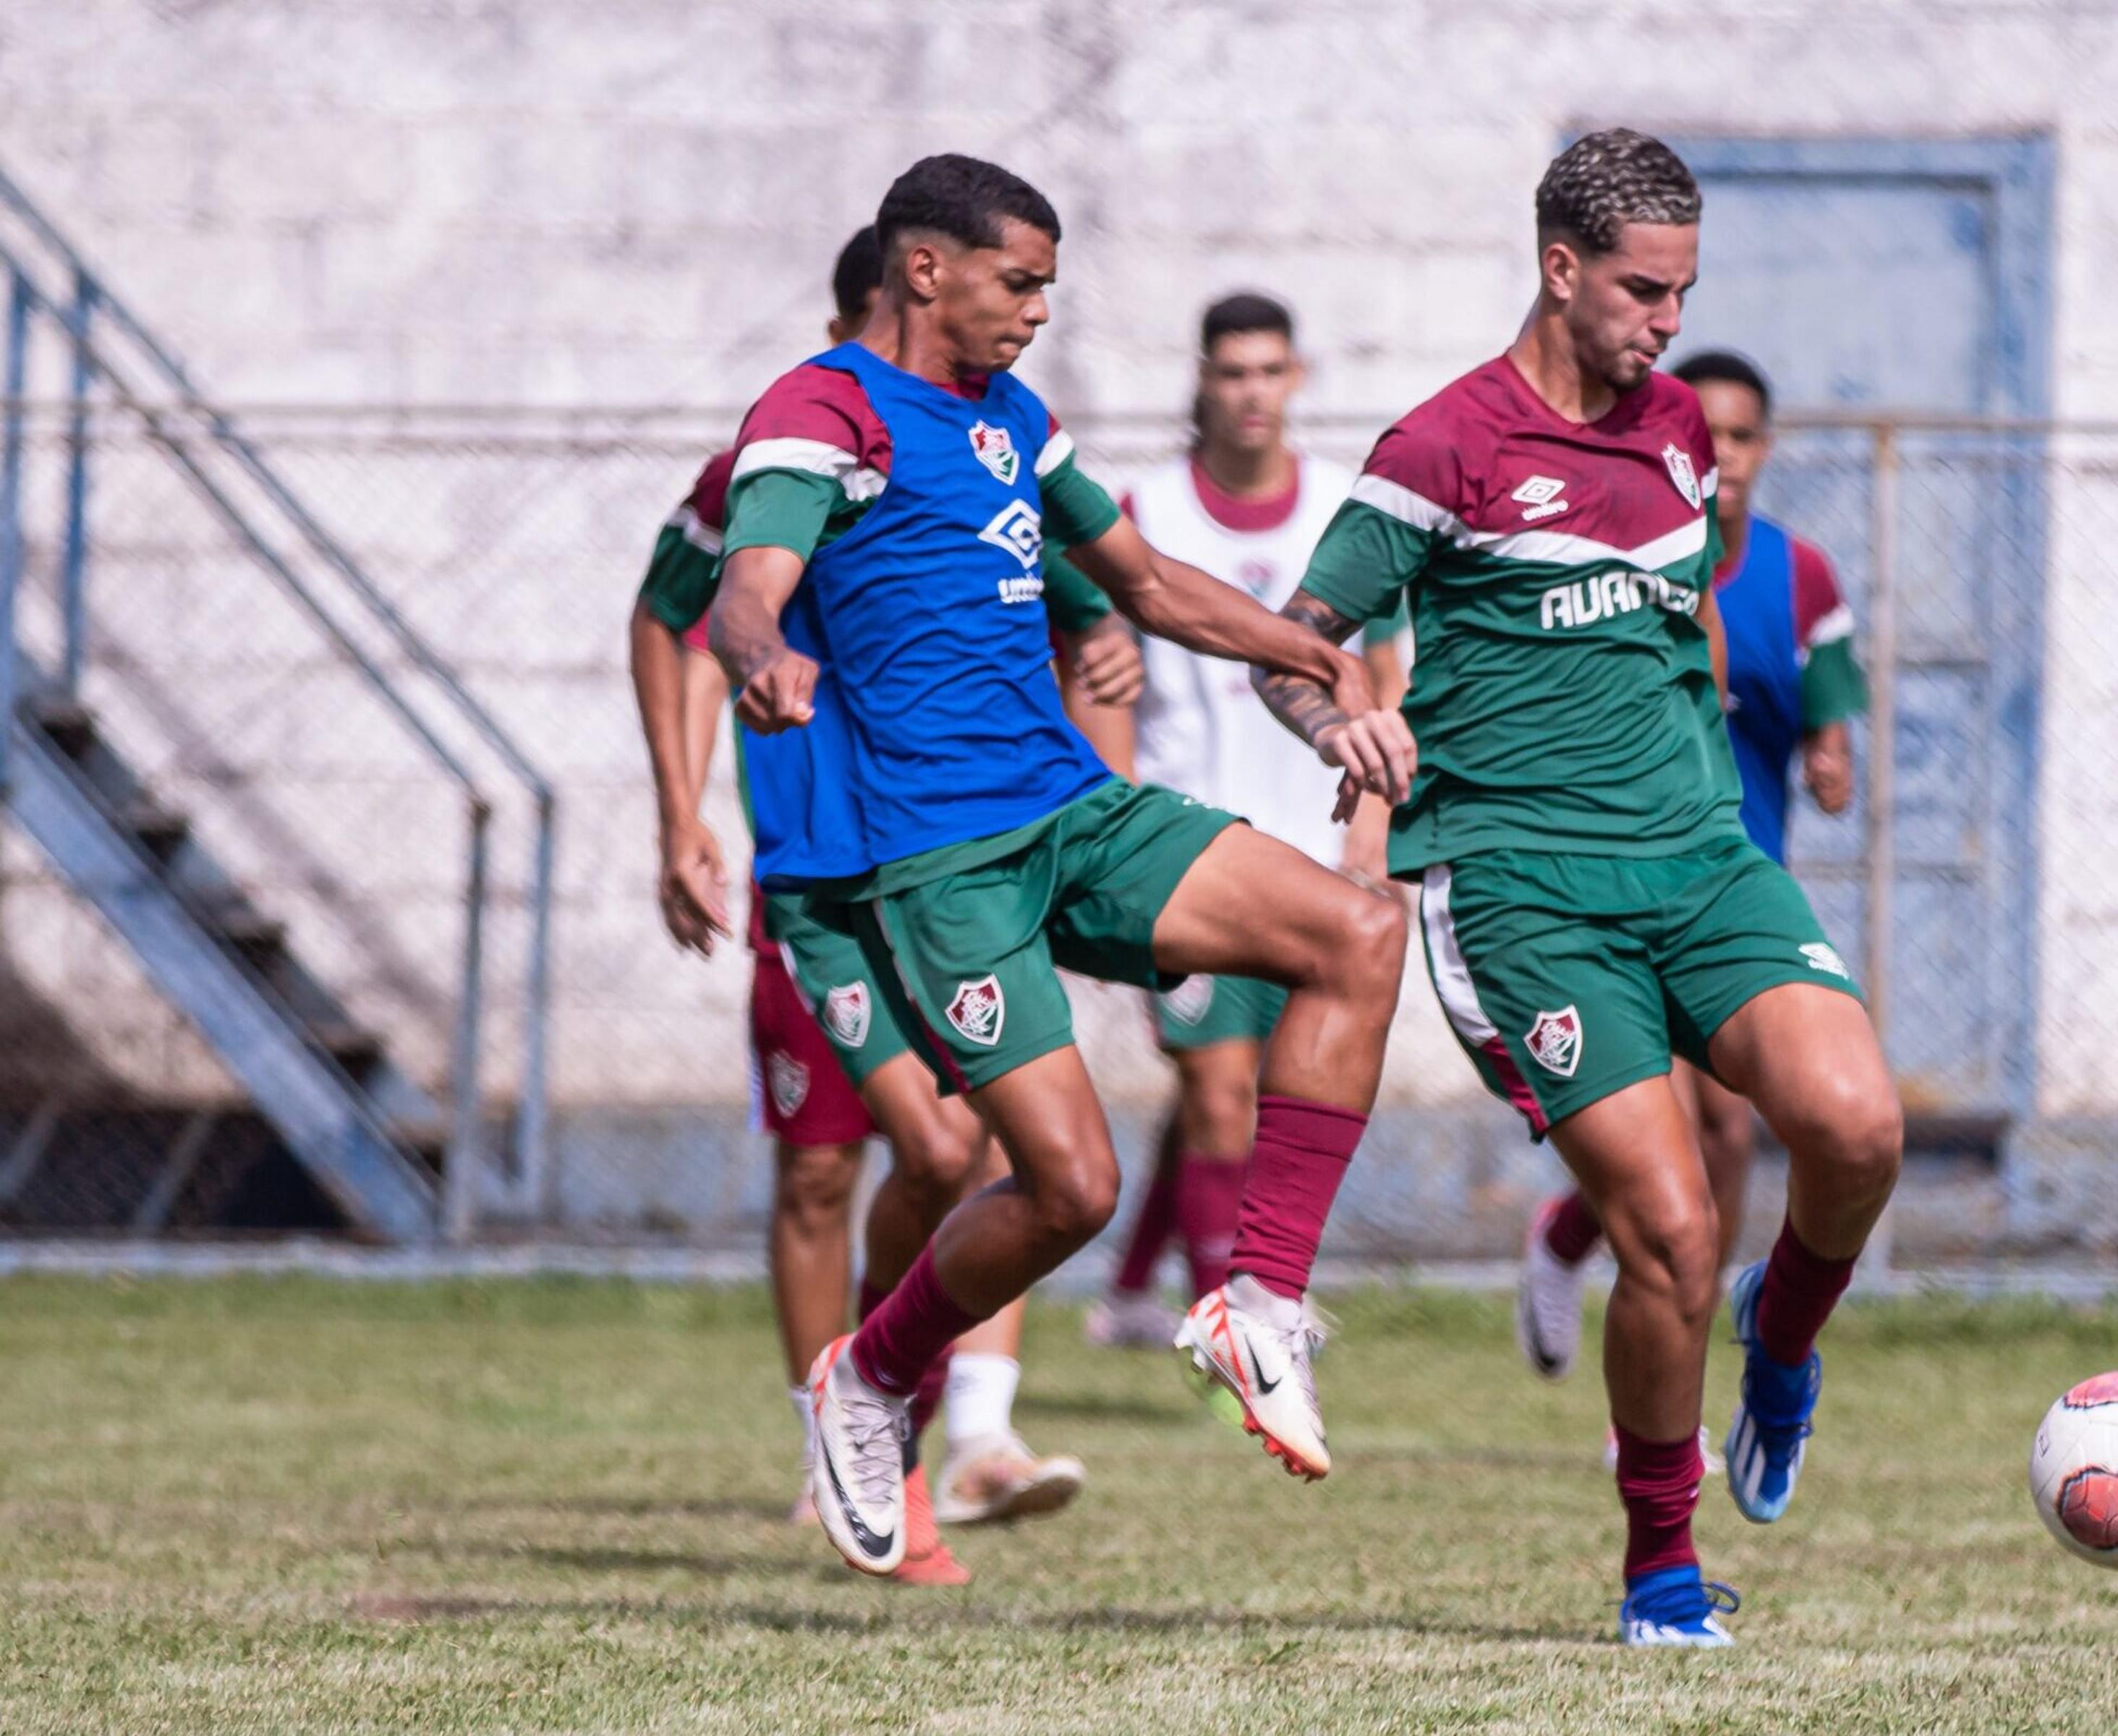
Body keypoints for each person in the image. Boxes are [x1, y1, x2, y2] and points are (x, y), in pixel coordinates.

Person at [705, 156, 1411, 1580]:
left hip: (1077, 809)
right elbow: (744, 587)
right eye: (1018, 281)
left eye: (1047, 285)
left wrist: (1318, 655)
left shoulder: (1016, 418)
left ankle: (1256, 1297)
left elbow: (1144, 585)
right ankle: (871, 1377)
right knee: (1069, 1188)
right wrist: (761, 652)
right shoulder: (823, 409)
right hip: (939, 863)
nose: (1038, 309)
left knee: (1357, 932)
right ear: (924, 271)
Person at [1262, 131, 1903, 1646]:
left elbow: (1684, 617)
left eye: (1684, 293)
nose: (1666, 324)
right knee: (1669, 1231)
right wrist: (1339, 715)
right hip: (1525, 892)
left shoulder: (1680, 429)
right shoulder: (1443, 449)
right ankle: (1661, 1573)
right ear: (1561, 268)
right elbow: (1299, 637)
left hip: (1699, 862)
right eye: (1642, 290)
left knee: (1858, 1127)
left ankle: (1787, 1333)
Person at [625, 226, 1131, 1586]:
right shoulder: (779, 458)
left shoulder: (977, 456)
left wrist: (1093, 799)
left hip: (953, 866)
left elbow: (1097, 611)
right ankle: (850, 1433)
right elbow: (672, 613)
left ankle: (924, 1428)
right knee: (825, 1168)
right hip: (816, 883)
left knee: (962, 1147)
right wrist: (682, 814)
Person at [1515, 347, 1868, 1454]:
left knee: (1727, 1133)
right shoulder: (1611, 559)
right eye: (1704, 433)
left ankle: (1593, 1257)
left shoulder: (1798, 577)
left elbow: (1831, 729)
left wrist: (1829, 763)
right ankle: (1649, 1387)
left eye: (1745, 435)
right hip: (1613, 897)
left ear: (1766, 450)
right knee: (1663, 1139)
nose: (1724, 455)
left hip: (1731, 894)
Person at [1085, 290, 1406, 1350]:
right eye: (1232, 373)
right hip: (1191, 852)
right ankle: (1236, 1330)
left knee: (1259, 1092)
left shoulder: (1338, 511)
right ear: (1203, 381)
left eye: (1270, 371)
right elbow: (1105, 673)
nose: (1251, 392)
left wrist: (1374, 834)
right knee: (1222, 1094)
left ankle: (1138, 1292)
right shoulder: (1149, 512)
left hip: (1314, 850)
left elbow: (1386, 667)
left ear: (1297, 379)